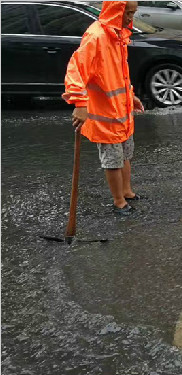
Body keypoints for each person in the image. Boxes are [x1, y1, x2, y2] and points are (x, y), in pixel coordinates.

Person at [62, 1, 145, 216]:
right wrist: (80, 104)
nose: (130, 18)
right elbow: (76, 70)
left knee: (126, 154)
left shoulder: (118, 35)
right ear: (116, 10)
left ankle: (127, 192)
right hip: (106, 114)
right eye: (127, 12)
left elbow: (120, 73)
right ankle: (119, 202)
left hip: (121, 111)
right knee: (113, 160)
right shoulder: (96, 37)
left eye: (133, 13)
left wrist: (131, 96)